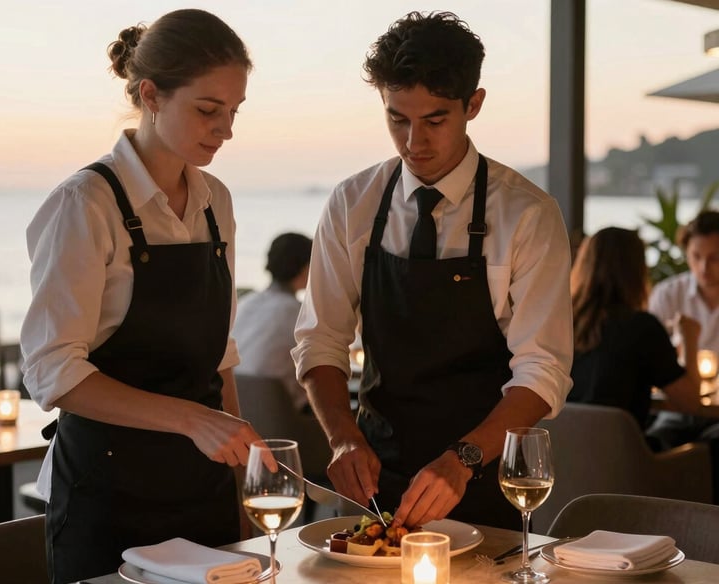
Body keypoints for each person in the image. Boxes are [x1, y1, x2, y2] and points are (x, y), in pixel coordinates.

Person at [292, 11, 573, 531]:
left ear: (474, 105)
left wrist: (461, 460)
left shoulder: (526, 214)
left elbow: (543, 369)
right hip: (373, 479)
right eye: (397, 119)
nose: (413, 141)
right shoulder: (353, 203)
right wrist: (343, 437)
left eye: (435, 120)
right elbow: (321, 338)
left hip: (485, 478)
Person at [19, 10, 261, 584]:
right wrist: (194, 422)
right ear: (151, 95)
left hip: (204, 495)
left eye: (233, 112)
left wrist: (245, 470)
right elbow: (53, 373)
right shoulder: (85, 204)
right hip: (107, 498)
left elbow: (218, 354)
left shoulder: (214, 201)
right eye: (207, 110)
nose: (224, 129)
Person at [567, 227, 702, 435]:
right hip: (624, 461)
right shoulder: (641, 327)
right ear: (637, 271)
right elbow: (690, 403)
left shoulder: (561, 324)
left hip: (563, 455)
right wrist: (690, 339)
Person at [647, 210, 719, 449]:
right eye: (696, 256)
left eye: (714, 258)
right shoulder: (668, 294)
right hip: (676, 409)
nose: (703, 267)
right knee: (657, 441)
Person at [233, 232, 313, 412]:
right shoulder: (300, 314)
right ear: (304, 268)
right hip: (285, 417)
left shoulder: (246, 303)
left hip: (239, 408)